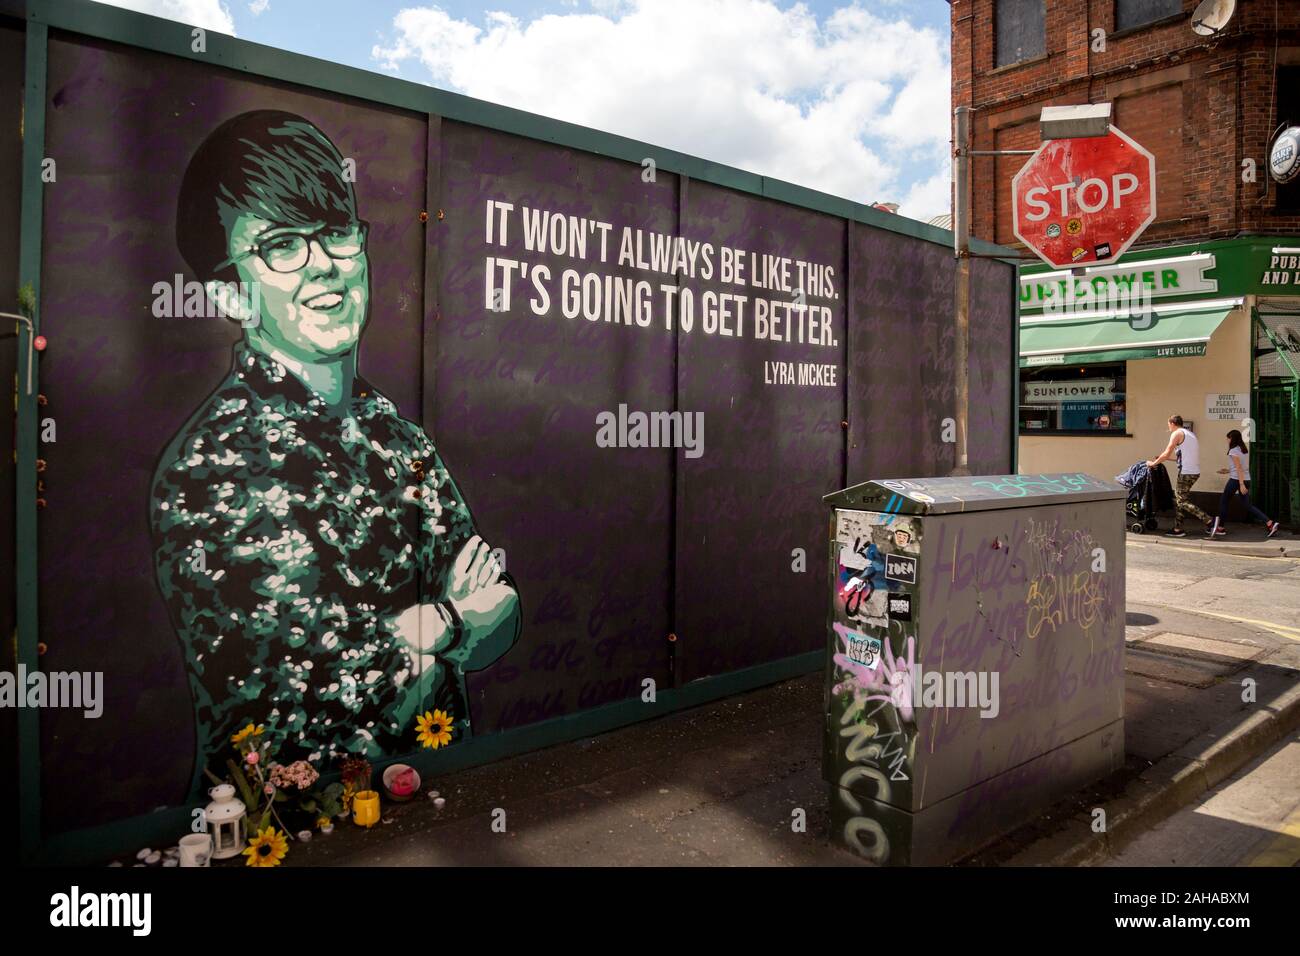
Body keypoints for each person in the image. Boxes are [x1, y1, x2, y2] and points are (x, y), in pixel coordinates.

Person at [151, 111, 520, 786]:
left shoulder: (398, 436)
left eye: (335, 233)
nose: (324, 265)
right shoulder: (210, 469)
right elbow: (313, 712)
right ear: (230, 290)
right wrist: (447, 623)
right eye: (283, 246)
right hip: (299, 831)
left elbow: (498, 611)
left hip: (436, 796)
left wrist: (442, 631)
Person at [1147, 414, 1213, 538]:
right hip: (1193, 471)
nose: (1169, 428)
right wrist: (1162, 459)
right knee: (1180, 500)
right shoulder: (1189, 434)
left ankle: (1210, 521)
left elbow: (1167, 453)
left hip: (1186, 472)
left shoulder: (1176, 433)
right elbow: (1180, 457)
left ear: (1172, 423)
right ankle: (1178, 529)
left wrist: (1153, 463)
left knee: (1181, 501)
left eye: (1169, 425)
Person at [1209, 429, 1281, 538]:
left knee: (1224, 501)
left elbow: (1238, 468)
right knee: (1248, 505)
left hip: (1236, 480)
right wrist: (1228, 470)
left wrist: (1241, 484)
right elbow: (1240, 467)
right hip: (1246, 479)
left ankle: (1220, 528)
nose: (1227, 441)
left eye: (1228, 438)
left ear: (1232, 439)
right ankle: (1270, 523)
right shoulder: (1243, 450)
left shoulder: (1233, 450)